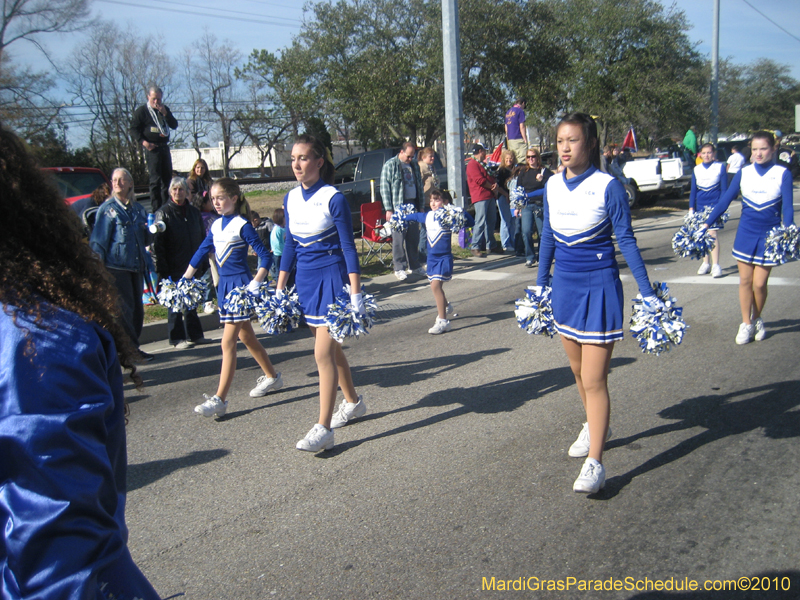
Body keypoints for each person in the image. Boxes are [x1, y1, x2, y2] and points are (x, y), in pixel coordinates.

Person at [0, 123, 160, 598]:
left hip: (77, 583)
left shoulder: (36, 343)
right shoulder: (110, 212)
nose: (124, 187)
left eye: (127, 182)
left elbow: (56, 553)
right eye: (119, 183)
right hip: (111, 271)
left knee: (129, 316)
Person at [536, 113, 660, 494]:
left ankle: (596, 463)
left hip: (599, 288)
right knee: (576, 372)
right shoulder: (553, 185)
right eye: (560, 141)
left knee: (594, 378)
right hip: (564, 290)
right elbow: (547, 238)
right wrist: (540, 287)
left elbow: (626, 241)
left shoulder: (609, 187)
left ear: (590, 143)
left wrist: (648, 292)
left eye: (573, 140)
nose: (566, 148)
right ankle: (594, 424)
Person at [277, 134, 366, 452]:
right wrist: (279, 286)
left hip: (332, 278)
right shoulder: (289, 198)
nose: (296, 164)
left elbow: (347, 246)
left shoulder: (333, 198)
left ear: (319, 161)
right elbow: (289, 244)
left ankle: (323, 428)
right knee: (330, 349)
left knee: (322, 353)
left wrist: (355, 292)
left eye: (303, 158)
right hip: (306, 282)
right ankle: (353, 402)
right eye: (293, 158)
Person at [183, 178, 283, 418]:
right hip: (223, 288)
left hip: (239, 288)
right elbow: (201, 251)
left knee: (227, 342)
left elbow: (265, 256)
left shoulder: (242, 224)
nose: (216, 203)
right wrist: (185, 278)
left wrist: (255, 283)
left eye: (221, 198)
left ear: (234, 198)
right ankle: (272, 377)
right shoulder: (216, 225)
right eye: (213, 198)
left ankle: (220, 399)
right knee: (247, 337)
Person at [703, 131, 794, 345]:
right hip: (746, 231)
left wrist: (789, 231)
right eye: (754, 149)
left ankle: (757, 317)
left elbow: (788, 208)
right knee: (745, 280)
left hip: (770, 235)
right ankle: (746, 323)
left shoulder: (783, 173)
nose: (759, 153)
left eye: (763, 149)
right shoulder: (744, 172)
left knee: (760, 284)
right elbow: (726, 199)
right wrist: (707, 222)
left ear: (773, 149)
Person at [89, 167, 153, 362]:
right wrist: (98, 269)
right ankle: (129, 350)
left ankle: (131, 348)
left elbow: (146, 239)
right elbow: (98, 242)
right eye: (114, 179)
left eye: (121, 180)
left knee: (137, 310)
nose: (117, 183)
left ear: (130, 184)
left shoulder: (138, 209)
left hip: (136, 266)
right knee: (125, 310)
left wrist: (153, 229)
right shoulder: (108, 210)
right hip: (116, 268)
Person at [403, 189, 474, 334]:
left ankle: (443, 321)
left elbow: (471, 221)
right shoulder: (428, 216)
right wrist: (400, 218)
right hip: (432, 258)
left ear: (445, 202)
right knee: (435, 286)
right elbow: (416, 216)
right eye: (431, 200)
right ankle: (446, 306)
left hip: (444, 258)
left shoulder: (449, 216)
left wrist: (459, 212)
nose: (433, 203)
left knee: (435, 286)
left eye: (437, 200)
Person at [153, 177, 207, 348]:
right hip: (172, 265)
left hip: (191, 264)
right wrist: (161, 268)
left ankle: (195, 335)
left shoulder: (193, 212)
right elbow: (157, 244)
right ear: (170, 192)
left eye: (181, 189)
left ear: (187, 192)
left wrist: (203, 259)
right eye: (175, 189)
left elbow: (201, 237)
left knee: (191, 300)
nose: (178, 193)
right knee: (175, 303)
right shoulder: (163, 213)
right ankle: (176, 338)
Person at [380, 141, 425, 280]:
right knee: (399, 238)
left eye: (412, 156)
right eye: (408, 156)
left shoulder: (414, 165)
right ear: (401, 152)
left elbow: (419, 186)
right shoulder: (391, 165)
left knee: (413, 237)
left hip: (412, 204)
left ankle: (415, 265)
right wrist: (389, 209)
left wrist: (421, 205)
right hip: (398, 205)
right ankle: (399, 267)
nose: (410, 159)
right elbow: (384, 187)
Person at [129, 85, 178, 210]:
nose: (156, 102)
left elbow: (174, 125)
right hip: (152, 149)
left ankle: (167, 206)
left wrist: (165, 113)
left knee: (167, 179)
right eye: (154, 99)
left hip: (164, 147)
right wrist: (143, 142)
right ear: (148, 97)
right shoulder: (142, 111)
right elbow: (133, 129)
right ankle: (156, 209)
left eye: (159, 99)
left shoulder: (164, 109)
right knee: (155, 180)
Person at [690, 143, 728, 278]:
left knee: (712, 234)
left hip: (714, 206)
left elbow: (724, 189)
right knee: (702, 235)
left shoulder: (720, 167)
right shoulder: (696, 169)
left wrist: (721, 206)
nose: (707, 155)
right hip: (700, 206)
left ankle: (716, 265)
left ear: (714, 154)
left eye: (709, 152)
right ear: (700, 154)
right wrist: (691, 208)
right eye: (704, 153)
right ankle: (705, 263)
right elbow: (693, 191)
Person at [516, 147, 553, 267]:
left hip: (540, 205)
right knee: (526, 231)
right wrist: (517, 207)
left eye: (533, 157)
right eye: (528, 157)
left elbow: (552, 185)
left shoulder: (544, 171)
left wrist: (543, 180)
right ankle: (530, 256)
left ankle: (541, 256)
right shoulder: (523, 172)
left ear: (538, 158)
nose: (531, 159)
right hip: (527, 205)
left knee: (542, 233)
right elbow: (518, 190)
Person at [466, 143, 500, 257]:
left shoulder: (482, 164)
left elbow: (489, 177)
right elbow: (479, 180)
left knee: (491, 221)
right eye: (484, 151)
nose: (486, 153)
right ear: (480, 151)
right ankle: (475, 245)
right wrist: (491, 186)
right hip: (480, 196)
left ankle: (491, 245)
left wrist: (494, 186)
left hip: (489, 195)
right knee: (480, 221)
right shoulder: (472, 164)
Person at [192, 186, 219, 313]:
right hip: (208, 252)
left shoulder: (215, 215)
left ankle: (221, 300)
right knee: (207, 278)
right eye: (210, 201)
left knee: (218, 278)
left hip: (219, 251)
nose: (213, 203)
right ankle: (207, 302)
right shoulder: (200, 217)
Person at [417, 146, 440, 260]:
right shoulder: (421, 167)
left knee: (432, 229)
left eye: (433, 156)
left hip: (433, 204)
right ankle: (422, 256)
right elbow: (419, 185)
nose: (432, 158)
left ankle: (430, 253)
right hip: (425, 203)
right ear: (423, 157)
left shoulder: (432, 168)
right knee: (425, 230)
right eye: (430, 156)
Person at [495, 149, 517, 252]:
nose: (509, 160)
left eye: (511, 158)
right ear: (504, 159)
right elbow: (498, 186)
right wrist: (506, 195)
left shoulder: (516, 170)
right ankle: (505, 243)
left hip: (514, 198)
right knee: (505, 220)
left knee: (513, 220)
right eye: (507, 158)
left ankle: (513, 241)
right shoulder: (501, 171)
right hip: (503, 197)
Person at [504, 98, 528, 165]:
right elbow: (522, 126)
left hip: (510, 139)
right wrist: (525, 139)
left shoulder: (508, 112)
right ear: (523, 103)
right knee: (522, 160)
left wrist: (508, 139)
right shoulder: (520, 111)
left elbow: (506, 127)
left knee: (514, 160)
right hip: (518, 138)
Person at [270, 207, 287, 284]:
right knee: (279, 271)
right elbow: (277, 244)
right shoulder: (277, 229)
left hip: (284, 253)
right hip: (279, 254)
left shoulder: (285, 228)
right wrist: (286, 251)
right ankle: (279, 285)